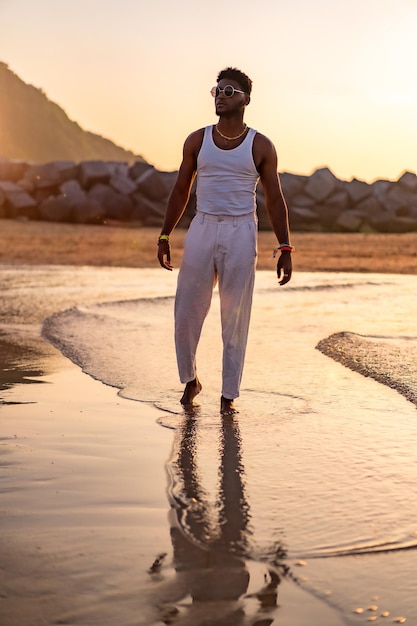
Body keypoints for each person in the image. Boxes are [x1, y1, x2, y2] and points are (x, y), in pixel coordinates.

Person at [157, 67, 293, 415]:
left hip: (241, 232)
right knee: (186, 311)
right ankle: (190, 380)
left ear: (246, 99)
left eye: (229, 91)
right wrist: (164, 234)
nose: (221, 95)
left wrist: (285, 247)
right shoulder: (197, 140)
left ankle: (228, 393)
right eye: (217, 90)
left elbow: (274, 198)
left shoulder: (260, 145)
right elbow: (181, 190)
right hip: (202, 228)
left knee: (234, 317)